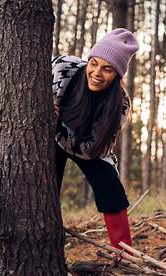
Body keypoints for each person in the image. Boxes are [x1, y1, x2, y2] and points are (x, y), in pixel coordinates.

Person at [52, 28, 139, 250]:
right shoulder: (64, 69)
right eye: (94, 63)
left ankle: (124, 252)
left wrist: (57, 123)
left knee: (110, 184)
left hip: (87, 147)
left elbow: (90, 149)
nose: (97, 73)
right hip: (50, 139)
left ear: (118, 74)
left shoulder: (120, 105)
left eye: (107, 69)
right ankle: (46, 241)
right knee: (46, 183)